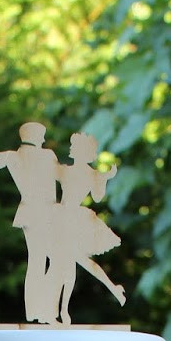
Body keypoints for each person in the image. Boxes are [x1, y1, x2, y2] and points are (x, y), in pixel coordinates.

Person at [45, 131, 127, 326]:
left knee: (69, 263)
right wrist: (103, 178)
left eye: (75, 146)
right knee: (71, 263)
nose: (71, 149)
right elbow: (98, 197)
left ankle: (60, 310)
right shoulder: (81, 173)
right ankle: (62, 310)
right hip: (67, 218)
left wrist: (103, 178)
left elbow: (98, 197)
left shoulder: (74, 172)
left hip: (69, 219)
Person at [0, 123, 59, 324]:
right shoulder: (46, 156)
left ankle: (38, 311)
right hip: (43, 213)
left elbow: (1, 163)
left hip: (30, 213)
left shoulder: (15, 156)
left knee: (38, 261)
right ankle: (44, 310)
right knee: (50, 259)